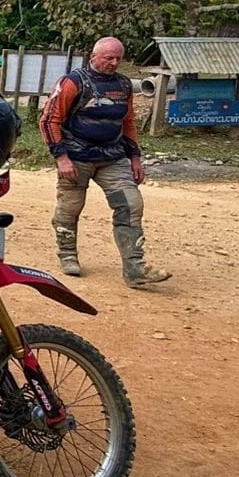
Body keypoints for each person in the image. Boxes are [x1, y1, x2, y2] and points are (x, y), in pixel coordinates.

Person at [39, 36, 170, 289]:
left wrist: (135, 157)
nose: (114, 62)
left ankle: (135, 269)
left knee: (131, 204)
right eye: (109, 57)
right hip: (76, 157)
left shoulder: (123, 85)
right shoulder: (72, 82)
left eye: (118, 58)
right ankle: (67, 254)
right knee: (70, 207)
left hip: (113, 157)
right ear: (94, 56)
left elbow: (128, 122)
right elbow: (49, 120)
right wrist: (61, 157)